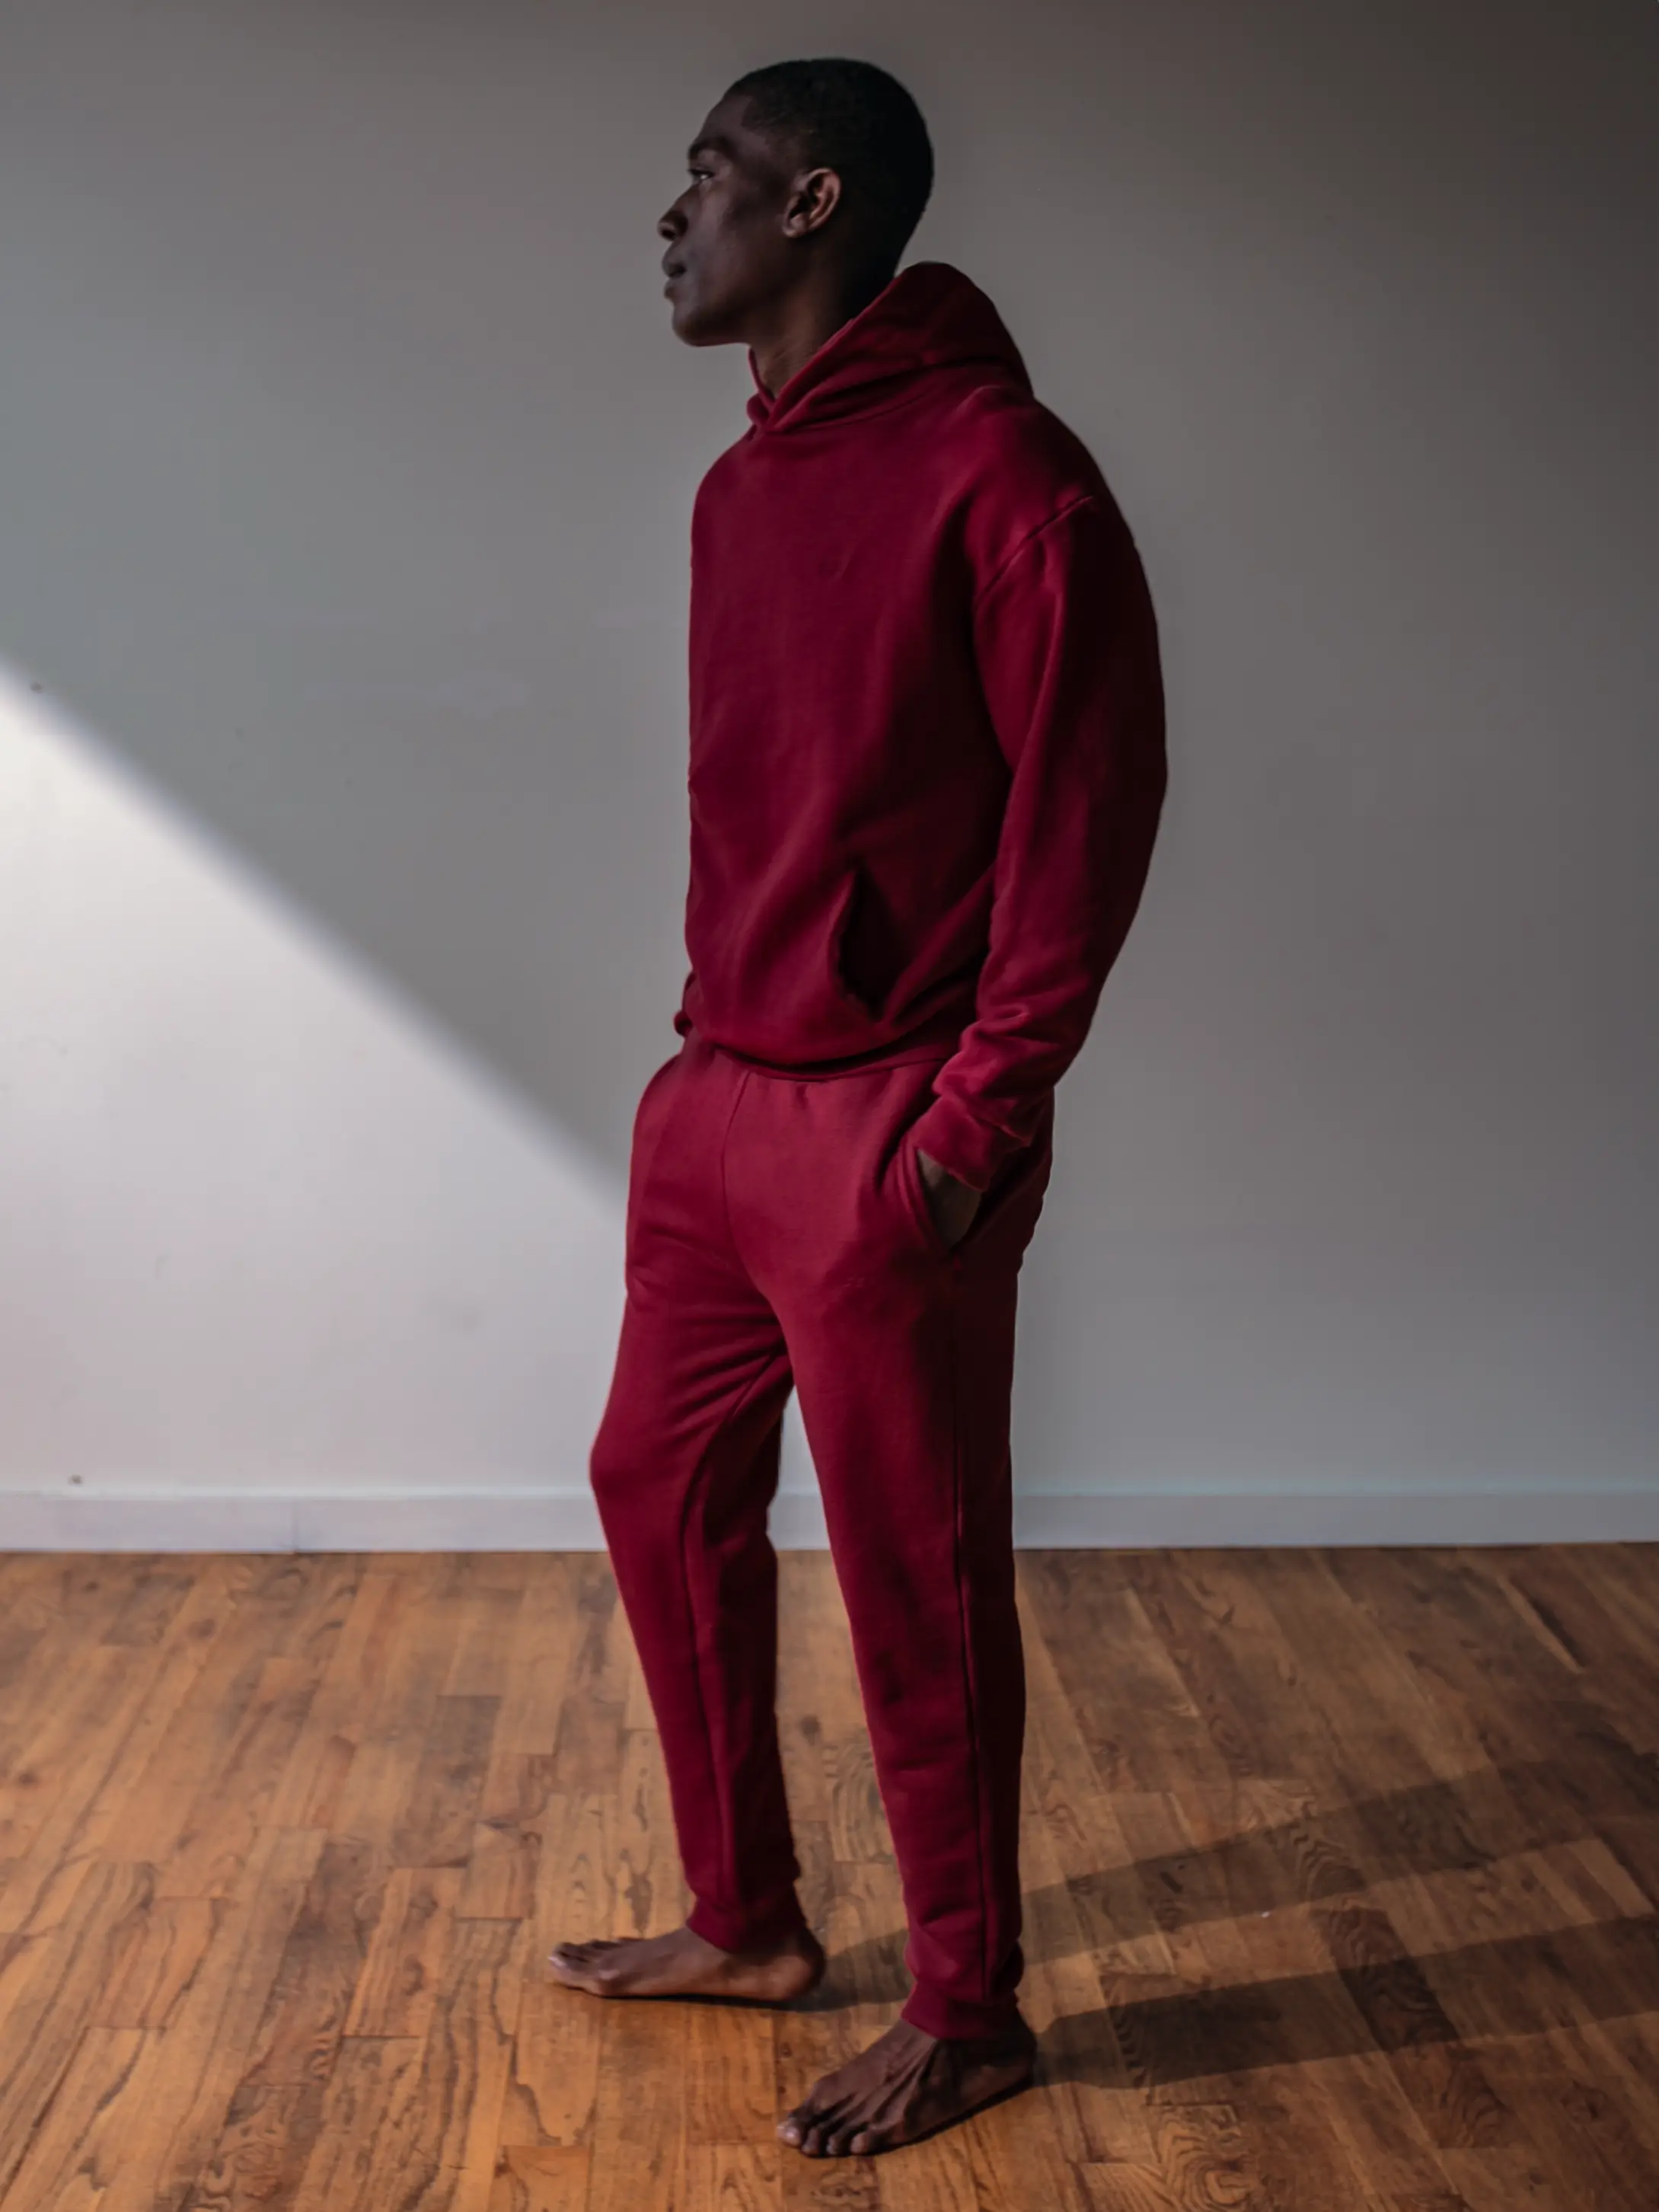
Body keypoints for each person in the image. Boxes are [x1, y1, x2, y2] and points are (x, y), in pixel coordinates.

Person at [548, 55, 1166, 2159]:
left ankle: (969, 2007)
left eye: (706, 177)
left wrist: (979, 1121)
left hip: (895, 1123)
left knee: (915, 1574)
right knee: (654, 1483)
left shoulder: (1011, 474)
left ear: (813, 205)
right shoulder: (740, 489)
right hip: (716, 1101)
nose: (673, 216)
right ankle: (749, 1920)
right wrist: (704, 1080)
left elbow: (1087, 821)